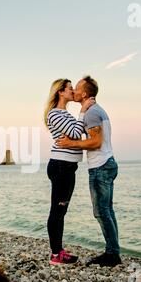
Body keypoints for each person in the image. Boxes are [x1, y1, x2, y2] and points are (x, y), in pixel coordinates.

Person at [57, 76, 121, 267]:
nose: (74, 91)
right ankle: (114, 252)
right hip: (106, 163)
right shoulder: (96, 110)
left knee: (101, 211)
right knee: (107, 210)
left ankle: (112, 255)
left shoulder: (92, 112)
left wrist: (71, 143)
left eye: (76, 89)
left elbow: (96, 141)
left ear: (84, 93)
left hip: (101, 166)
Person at [44, 78, 95, 265]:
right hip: (60, 166)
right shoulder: (54, 114)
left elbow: (75, 132)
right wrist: (83, 111)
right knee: (57, 210)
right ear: (60, 92)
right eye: (70, 88)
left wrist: (79, 118)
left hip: (68, 166)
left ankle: (59, 251)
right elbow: (75, 133)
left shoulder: (65, 114)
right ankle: (55, 254)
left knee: (61, 210)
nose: (73, 91)